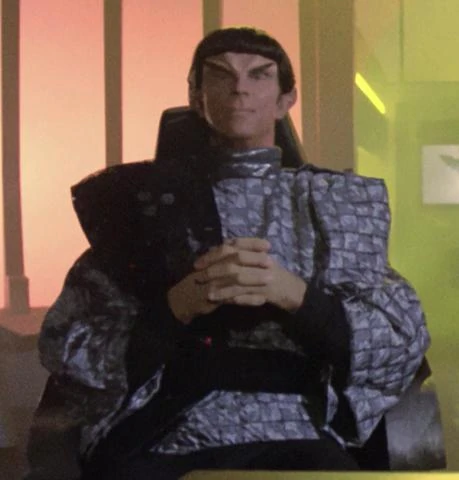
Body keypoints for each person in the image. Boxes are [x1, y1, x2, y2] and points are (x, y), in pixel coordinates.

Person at [38, 27, 430, 479]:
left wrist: (297, 297)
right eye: (221, 75)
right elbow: (70, 344)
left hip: (296, 425)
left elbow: (399, 338)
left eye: (259, 75)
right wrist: (175, 308)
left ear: (286, 99)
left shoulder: (333, 205)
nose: (240, 87)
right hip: (165, 423)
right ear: (196, 96)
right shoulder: (141, 208)